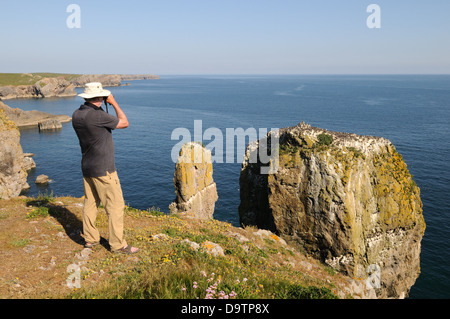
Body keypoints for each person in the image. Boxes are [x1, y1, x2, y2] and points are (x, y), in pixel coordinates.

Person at [72, 82, 139, 254]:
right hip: (104, 170)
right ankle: (118, 245)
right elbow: (124, 122)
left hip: (87, 167)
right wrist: (114, 103)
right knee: (115, 207)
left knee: (91, 203)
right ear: (100, 97)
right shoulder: (98, 117)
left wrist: (103, 104)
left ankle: (90, 238)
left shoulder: (77, 114)